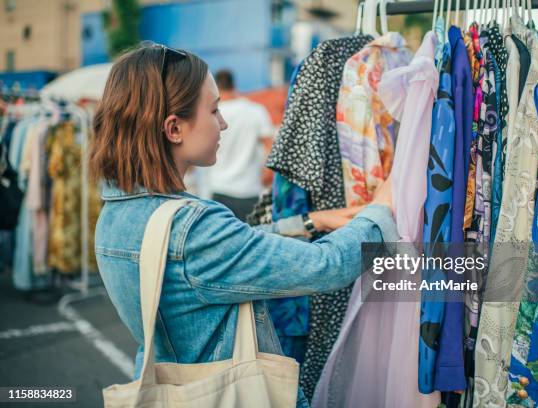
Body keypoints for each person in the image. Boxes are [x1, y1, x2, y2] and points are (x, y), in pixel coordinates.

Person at [89, 43, 396, 408]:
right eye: (214, 110)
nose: (223, 122)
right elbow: (327, 267)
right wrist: (379, 210)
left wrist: (309, 222)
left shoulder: (116, 213)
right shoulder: (194, 227)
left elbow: (215, 259)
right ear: (173, 128)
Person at [206, 69, 274, 221]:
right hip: (249, 190)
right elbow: (270, 147)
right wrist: (267, 173)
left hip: (219, 188)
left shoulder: (212, 114)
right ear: (234, 85)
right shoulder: (255, 111)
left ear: (216, 87)